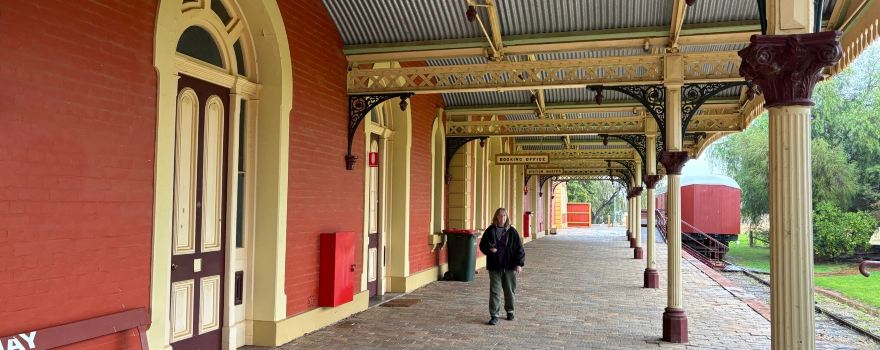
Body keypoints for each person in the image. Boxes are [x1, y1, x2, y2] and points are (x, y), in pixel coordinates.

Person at [478, 208, 525, 325]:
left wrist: (519, 263)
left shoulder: (512, 232)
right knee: (495, 291)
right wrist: (489, 250)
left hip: (509, 267)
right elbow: (482, 245)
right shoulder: (490, 231)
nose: (502, 218)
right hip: (494, 266)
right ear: (496, 217)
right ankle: (494, 315)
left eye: (504, 216)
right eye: (500, 215)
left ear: (507, 217)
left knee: (509, 290)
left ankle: (510, 311)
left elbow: (519, 249)